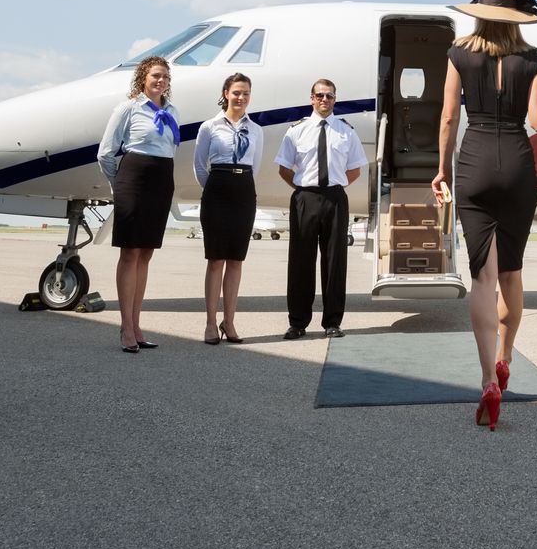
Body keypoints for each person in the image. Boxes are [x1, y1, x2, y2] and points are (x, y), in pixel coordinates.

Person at [435, 0, 537, 429]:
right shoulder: (533, 58)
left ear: (480, 13)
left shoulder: (459, 54)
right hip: (518, 165)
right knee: (511, 274)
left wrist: (442, 170)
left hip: (476, 162)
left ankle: (486, 380)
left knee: (482, 277)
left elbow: (447, 118)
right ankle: (505, 359)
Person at [97, 55, 180, 354]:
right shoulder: (128, 108)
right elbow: (106, 153)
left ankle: (137, 322)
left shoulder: (171, 111)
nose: (161, 81)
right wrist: (118, 184)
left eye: (166, 78)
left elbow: (169, 148)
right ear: (143, 77)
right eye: (156, 75)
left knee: (146, 253)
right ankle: (125, 326)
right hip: (133, 179)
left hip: (161, 180)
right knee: (130, 252)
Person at [274, 78, 365, 340]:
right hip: (305, 197)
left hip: (335, 198)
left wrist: (336, 187)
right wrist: (303, 189)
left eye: (330, 96)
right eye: (320, 95)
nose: (325, 100)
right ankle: (298, 322)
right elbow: (283, 167)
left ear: (335, 100)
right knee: (301, 261)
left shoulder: (346, 131)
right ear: (311, 98)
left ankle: (332, 322)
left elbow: (356, 168)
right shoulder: (296, 130)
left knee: (334, 262)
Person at [193, 71, 262, 344]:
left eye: (245, 93)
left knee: (236, 260)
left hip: (244, 190)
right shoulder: (209, 127)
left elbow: (254, 165)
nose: (241, 97)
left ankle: (229, 321)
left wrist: (239, 184)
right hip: (217, 189)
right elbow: (200, 165)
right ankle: (211, 323)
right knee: (216, 260)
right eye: (236, 92)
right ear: (226, 94)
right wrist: (214, 187)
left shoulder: (256, 129)